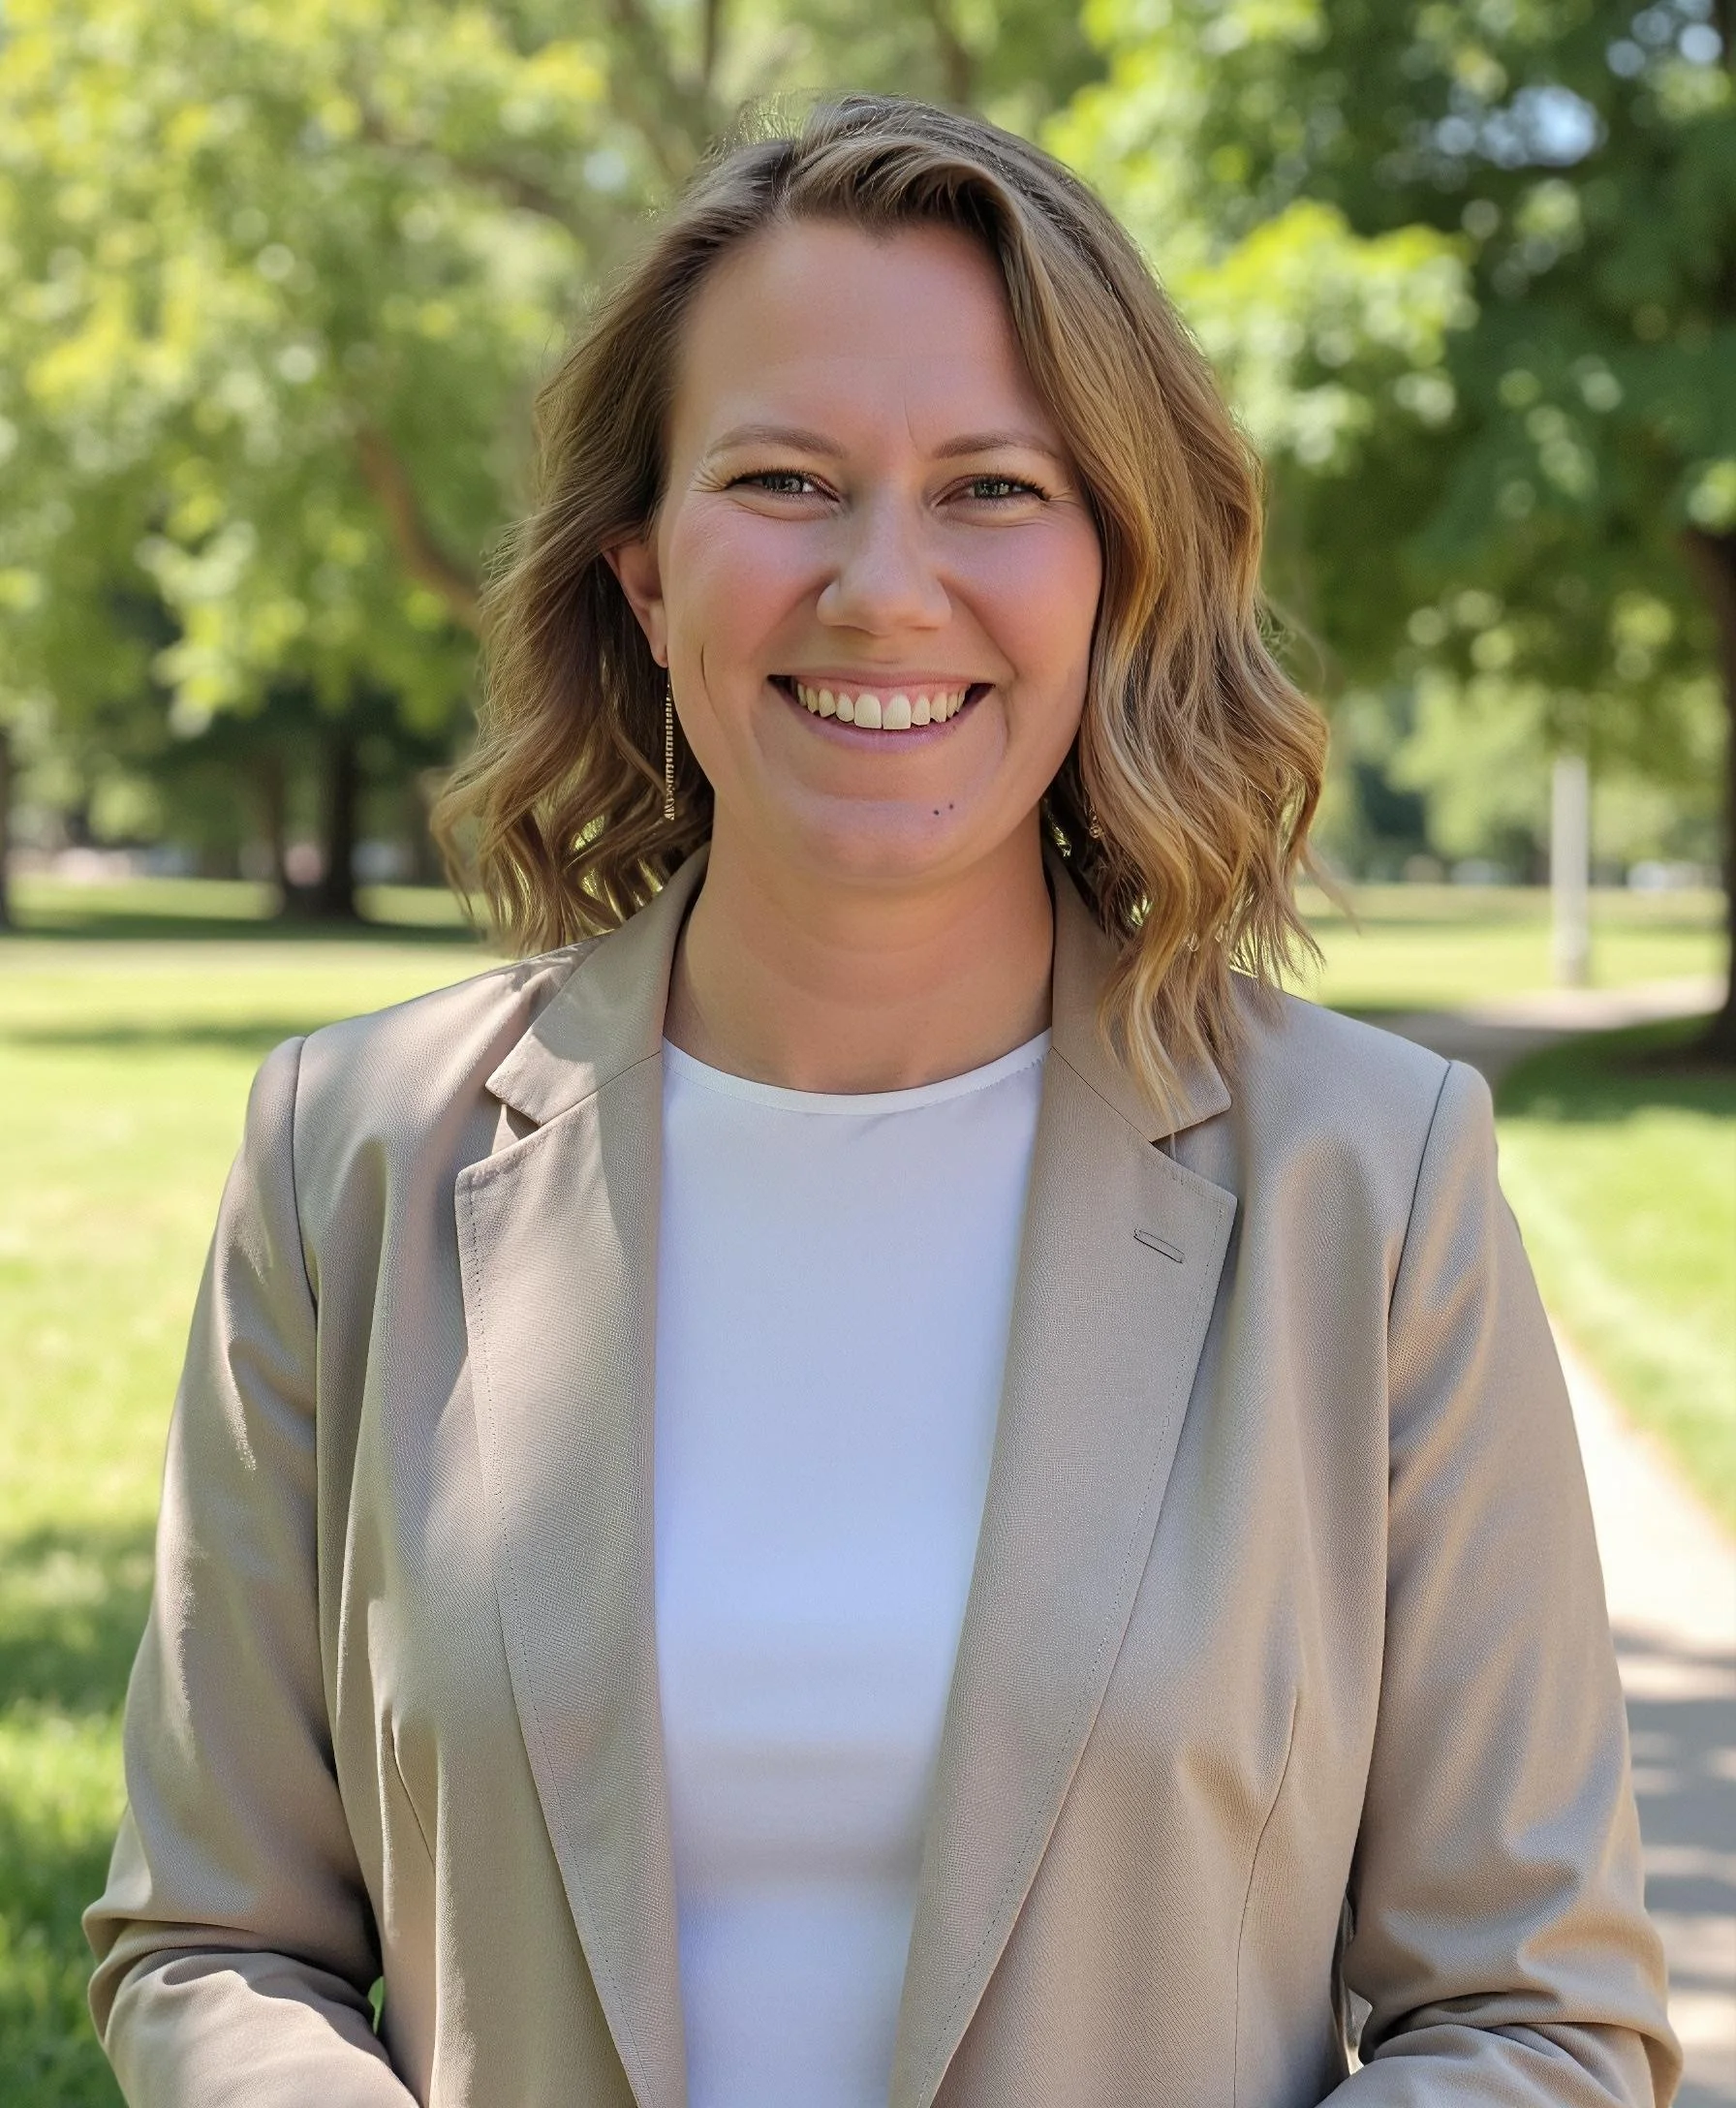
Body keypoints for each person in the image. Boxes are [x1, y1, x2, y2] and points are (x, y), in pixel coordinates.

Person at [85, 93, 1679, 2108]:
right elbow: (211, 1935)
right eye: (783, 477)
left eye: (992, 488)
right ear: (647, 578)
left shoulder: (1369, 1183)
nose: (880, 583)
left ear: (1112, 570)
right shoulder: (349, 1156)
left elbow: (1536, 2009)